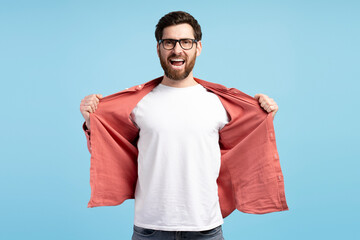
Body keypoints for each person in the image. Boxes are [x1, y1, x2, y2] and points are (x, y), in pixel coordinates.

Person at [80, 11, 287, 240]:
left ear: (198, 48)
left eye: (186, 42)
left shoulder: (220, 103)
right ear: (158, 48)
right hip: (150, 228)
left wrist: (266, 115)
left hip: (205, 228)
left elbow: (248, 148)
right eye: (169, 42)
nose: (177, 50)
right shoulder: (136, 104)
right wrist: (92, 121)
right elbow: (112, 152)